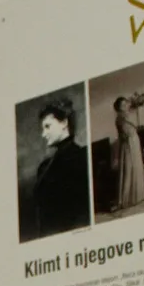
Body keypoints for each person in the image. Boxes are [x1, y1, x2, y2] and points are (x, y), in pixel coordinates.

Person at [27, 99, 91, 239]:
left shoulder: (80, 157)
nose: (43, 134)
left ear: (64, 123)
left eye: (47, 126)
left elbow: (82, 212)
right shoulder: (46, 165)